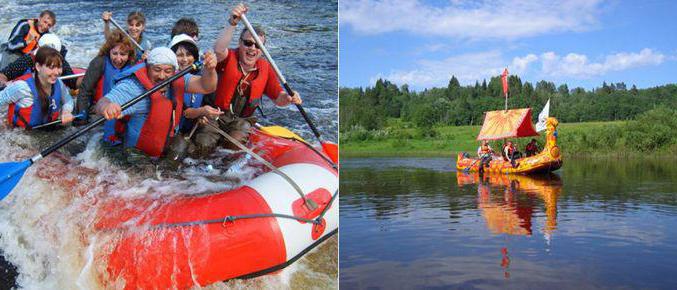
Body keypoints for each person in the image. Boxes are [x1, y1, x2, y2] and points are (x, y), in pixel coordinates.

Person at [193, 3, 302, 156]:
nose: (252, 48)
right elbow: (218, 49)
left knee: (234, 145)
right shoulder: (228, 57)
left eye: (257, 45)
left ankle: (225, 175)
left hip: (240, 121)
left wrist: (290, 98)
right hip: (214, 115)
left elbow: (279, 99)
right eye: (248, 43)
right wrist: (232, 23)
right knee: (203, 144)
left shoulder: (266, 69)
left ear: (262, 50)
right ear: (240, 43)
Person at [95, 47, 217, 158]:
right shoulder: (132, 87)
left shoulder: (177, 79)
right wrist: (107, 107)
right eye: (157, 70)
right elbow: (102, 102)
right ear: (148, 68)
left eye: (168, 71)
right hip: (134, 151)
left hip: (161, 146)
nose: (162, 76)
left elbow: (207, 87)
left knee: (183, 146)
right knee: (148, 174)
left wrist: (210, 70)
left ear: (174, 71)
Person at [74, 29, 136, 145]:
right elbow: (84, 91)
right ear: (109, 52)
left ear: (129, 54)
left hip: (122, 112)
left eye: (123, 54)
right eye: (114, 53)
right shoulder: (99, 62)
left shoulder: (134, 65)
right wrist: (82, 117)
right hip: (98, 112)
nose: (118, 59)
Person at [0, 46, 74, 129]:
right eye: (51, 67)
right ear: (38, 67)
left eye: (59, 67)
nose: (57, 72)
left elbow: (68, 100)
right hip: (20, 133)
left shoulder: (59, 83)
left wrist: (66, 112)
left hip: (46, 129)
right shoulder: (22, 87)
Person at [0, 33, 78, 90]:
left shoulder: (59, 60)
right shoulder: (27, 61)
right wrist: (5, 85)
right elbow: (4, 75)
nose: (56, 71)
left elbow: (73, 82)